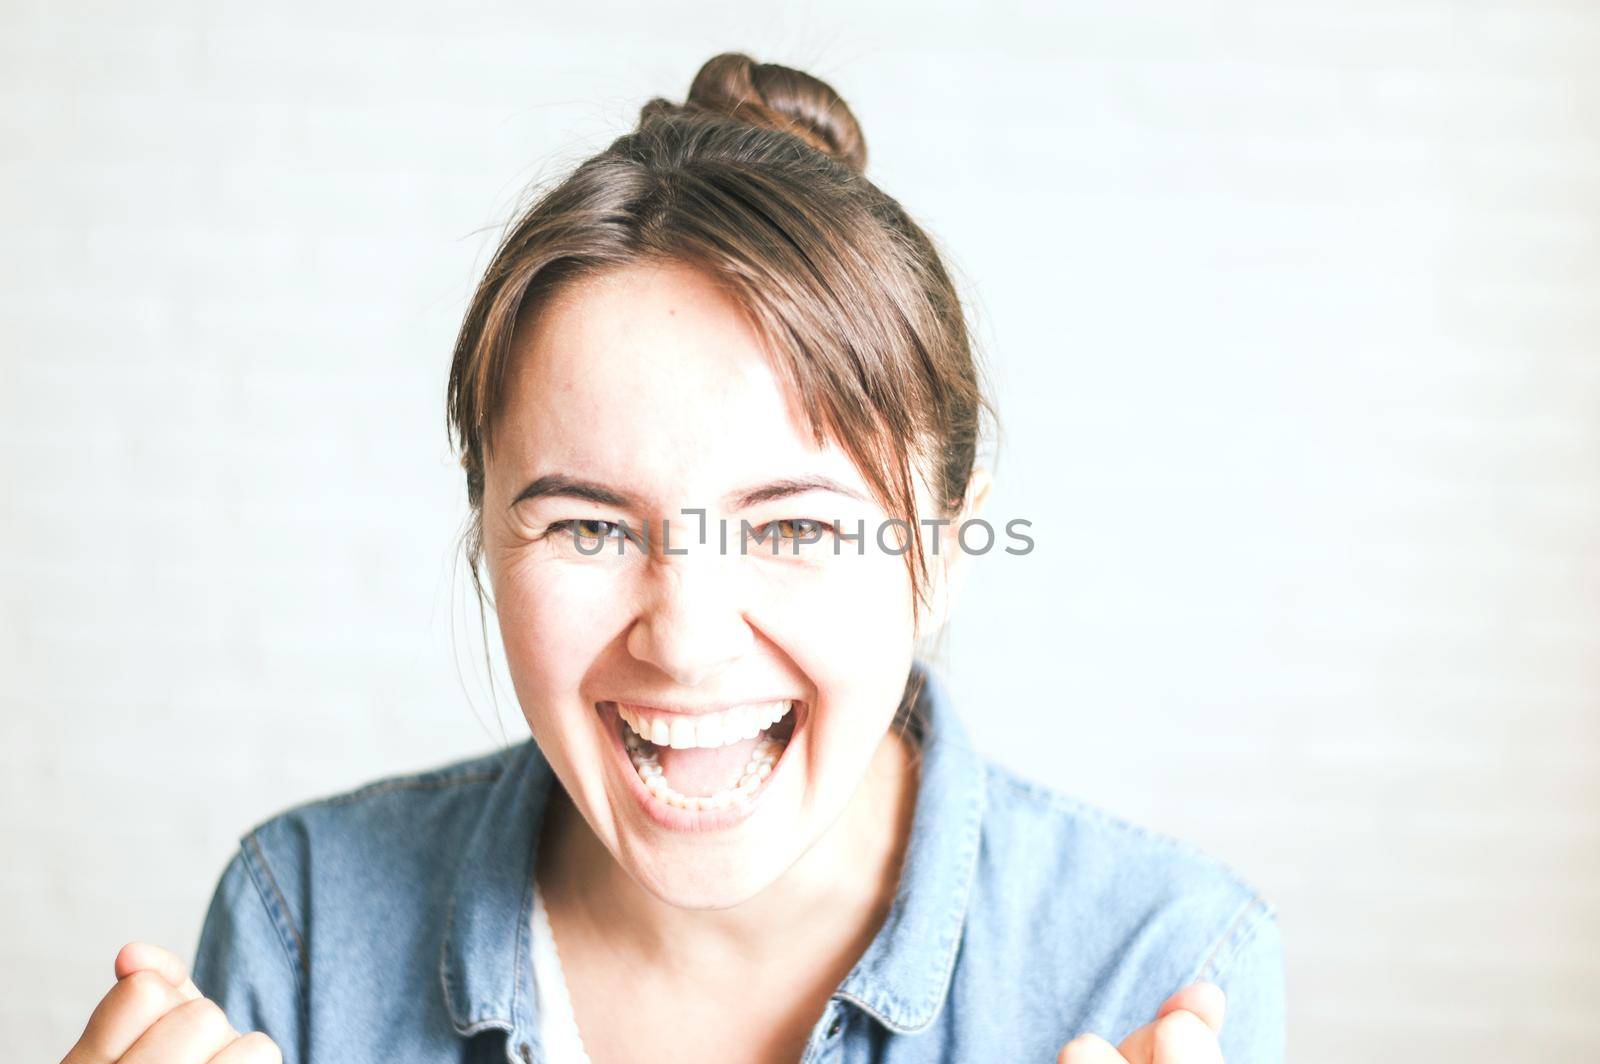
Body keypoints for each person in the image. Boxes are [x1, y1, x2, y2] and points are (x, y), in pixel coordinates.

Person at [57, 53, 1284, 1064]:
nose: (684, 637)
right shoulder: (306, 920)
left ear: (948, 544)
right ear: (487, 536)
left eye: (795, 526)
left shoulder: (1160, 964)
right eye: (588, 524)